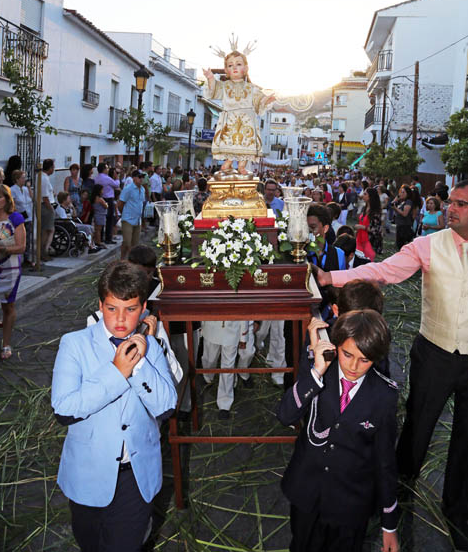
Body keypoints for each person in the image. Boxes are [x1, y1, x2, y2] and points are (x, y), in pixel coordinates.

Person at [315, 179, 468, 550]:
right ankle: (396, 496)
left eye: (461, 204)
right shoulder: (428, 246)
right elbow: (383, 271)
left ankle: (457, 509)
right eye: (452, 201)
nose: (451, 208)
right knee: (418, 426)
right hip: (435, 353)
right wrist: (331, 277)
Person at [51, 260, 177, 552]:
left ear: (143, 308)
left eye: (130, 309)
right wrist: (117, 372)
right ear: (100, 305)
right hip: (88, 474)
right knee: (90, 543)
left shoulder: (152, 347)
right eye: (111, 308)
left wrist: (140, 365)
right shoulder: (74, 344)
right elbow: (64, 409)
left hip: (135, 476)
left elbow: (166, 407)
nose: (120, 319)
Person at [278, 310, 399, 552]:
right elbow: (285, 415)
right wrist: (316, 371)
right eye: (347, 354)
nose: (354, 366)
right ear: (335, 346)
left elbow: (384, 462)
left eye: (365, 360)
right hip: (307, 495)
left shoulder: (384, 395)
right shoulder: (319, 370)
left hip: (351, 505)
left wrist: (389, 525)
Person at [203, 44, 275, 175]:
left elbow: (258, 100)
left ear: (246, 68)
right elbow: (213, 92)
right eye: (230, 65)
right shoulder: (224, 86)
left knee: (245, 143)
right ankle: (227, 164)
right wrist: (210, 79)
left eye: (238, 64)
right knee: (230, 141)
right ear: (226, 70)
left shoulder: (251, 87)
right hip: (230, 120)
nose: (234, 67)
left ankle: (242, 166)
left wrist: (266, 100)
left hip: (247, 120)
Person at [0, 184, 26, 359]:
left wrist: (1, 249)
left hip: (9, 270)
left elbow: (21, 247)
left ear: (7, 200)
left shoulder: (15, 218)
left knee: (8, 306)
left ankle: (6, 344)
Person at [201, 320, 254, 420]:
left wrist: (243, 336)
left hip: (232, 330)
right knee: (209, 359)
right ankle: (208, 377)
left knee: (228, 368)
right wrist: (201, 326)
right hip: (211, 328)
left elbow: (243, 311)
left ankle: (224, 404)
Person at [118, 170, 145, 260]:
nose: (141, 179)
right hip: (128, 219)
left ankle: (123, 259)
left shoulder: (142, 189)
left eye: (142, 177)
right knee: (127, 242)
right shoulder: (128, 189)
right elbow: (120, 203)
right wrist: (124, 214)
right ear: (134, 178)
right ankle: (131, 261)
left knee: (134, 244)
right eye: (139, 177)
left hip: (137, 220)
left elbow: (141, 203)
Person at [10, 169, 34, 267]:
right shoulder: (12, 189)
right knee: (18, 238)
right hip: (19, 216)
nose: (24, 179)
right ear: (17, 179)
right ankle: (18, 258)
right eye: (22, 178)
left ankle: (26, 258)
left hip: (28, 216)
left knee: (27, 238)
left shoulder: (24, 189)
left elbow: (32, 198)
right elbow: (12, 203)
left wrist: (29, 188)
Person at [95, 162, 119, 244]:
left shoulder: (97, 178)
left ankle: (100, 238)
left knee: (102, 219)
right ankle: (108, 238)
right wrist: (116, 177)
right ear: (104, 169)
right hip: (108, 199)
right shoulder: (107, 178)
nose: (108, 169)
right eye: (107, 168)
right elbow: (116, 185)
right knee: (109, 219)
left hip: (100, 198)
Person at [355, 188, 382, 262]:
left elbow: (376, 229)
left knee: (367, 262)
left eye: (365, 194)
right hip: (359, 239)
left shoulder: (376, 211)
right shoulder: (365, 208)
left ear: (370, 196)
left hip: (369, 241)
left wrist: (362, 227)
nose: (363, 195)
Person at [40, 159, 55, 262]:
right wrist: (51, 209)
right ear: (50, 168)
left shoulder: (43, 177)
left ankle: (44, 250)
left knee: (49, 229)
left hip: (46, 205)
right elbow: (45, 197)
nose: (54, 169)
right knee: (47, 230)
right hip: (46, 207)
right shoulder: (44, 178)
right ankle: (43, 251)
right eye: (53, 167)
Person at [391, 184, 413, 250]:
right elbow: (391, 204)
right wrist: (396, 199)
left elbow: (404, 214)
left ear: (408, 194)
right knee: (398, 244)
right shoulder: (401, 202)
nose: (401, 194)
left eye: (403, 192)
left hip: (405, 226)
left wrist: (395, 208)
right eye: (400, 192)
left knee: (402, 245)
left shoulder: (408, 202)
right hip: (399, 224)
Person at [90, 184, 108, 250]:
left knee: (97, 229)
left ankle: (96, 241)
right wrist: (106, 204)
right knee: (98, 229)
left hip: (97, 214)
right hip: (100, 215)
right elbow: (106, 206)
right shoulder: (100, 199)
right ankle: (98, 242)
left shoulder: (94, 198)